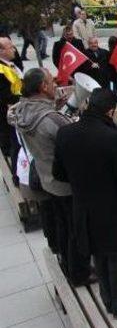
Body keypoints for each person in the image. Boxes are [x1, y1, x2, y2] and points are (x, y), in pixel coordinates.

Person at [53, 88, 117, 319]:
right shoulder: (112, 138)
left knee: (98, 254)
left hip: (83, 209)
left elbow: (59, 174)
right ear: (110, 111)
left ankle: (108, 299)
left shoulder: (65, 133)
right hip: (113, 212)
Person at [8, 68, 92, 285]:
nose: (55, 83)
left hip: (48, 179)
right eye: (50, 81)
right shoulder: (51, 119)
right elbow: (78, 141)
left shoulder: (24, 109)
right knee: (76, 229)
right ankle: (79, 273)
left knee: (62, 225)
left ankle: (66, 263)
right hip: (66, 183)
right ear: (43, 87)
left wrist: (55, 106)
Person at [0, 37, 23, 166]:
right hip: (8, 119)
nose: (14, 49)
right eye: (11, 47)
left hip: (17, 111)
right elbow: (5, 95)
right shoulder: (1, 70)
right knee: (14, 148)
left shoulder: (10, 64)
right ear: (1, 51)